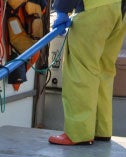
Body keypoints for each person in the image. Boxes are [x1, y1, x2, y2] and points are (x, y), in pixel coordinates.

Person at [48, 0, 126, 145]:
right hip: (120, 11)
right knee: (104, 70)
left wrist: (62, 9)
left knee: (81, 70)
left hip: (94, 9)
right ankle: (100, 130)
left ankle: (79, 133)